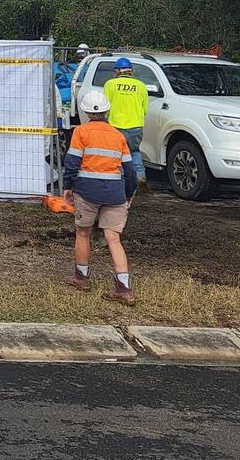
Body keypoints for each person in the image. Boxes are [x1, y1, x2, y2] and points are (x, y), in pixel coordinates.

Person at [64, 88, 138, 305]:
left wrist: (68, 186)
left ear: (85, 111)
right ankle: (124, 288)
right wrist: (128, 194)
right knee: (114, 239)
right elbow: (131, 171)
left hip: (87, 191)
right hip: (115, 193)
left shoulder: (81, 132)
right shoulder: (118, 135)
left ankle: (82, 278)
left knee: (83, 233)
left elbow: (72, 163)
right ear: (107, 110)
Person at [104, 57, 148, 186]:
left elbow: (105, 106)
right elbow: (145, 108)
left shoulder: (110, 84)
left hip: (116, 126)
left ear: (117, 71)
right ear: (131, 70)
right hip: (136, 126)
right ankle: (140, 176)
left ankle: (119, 178)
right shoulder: (140, 85)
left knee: (116, 154)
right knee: (134, 152)